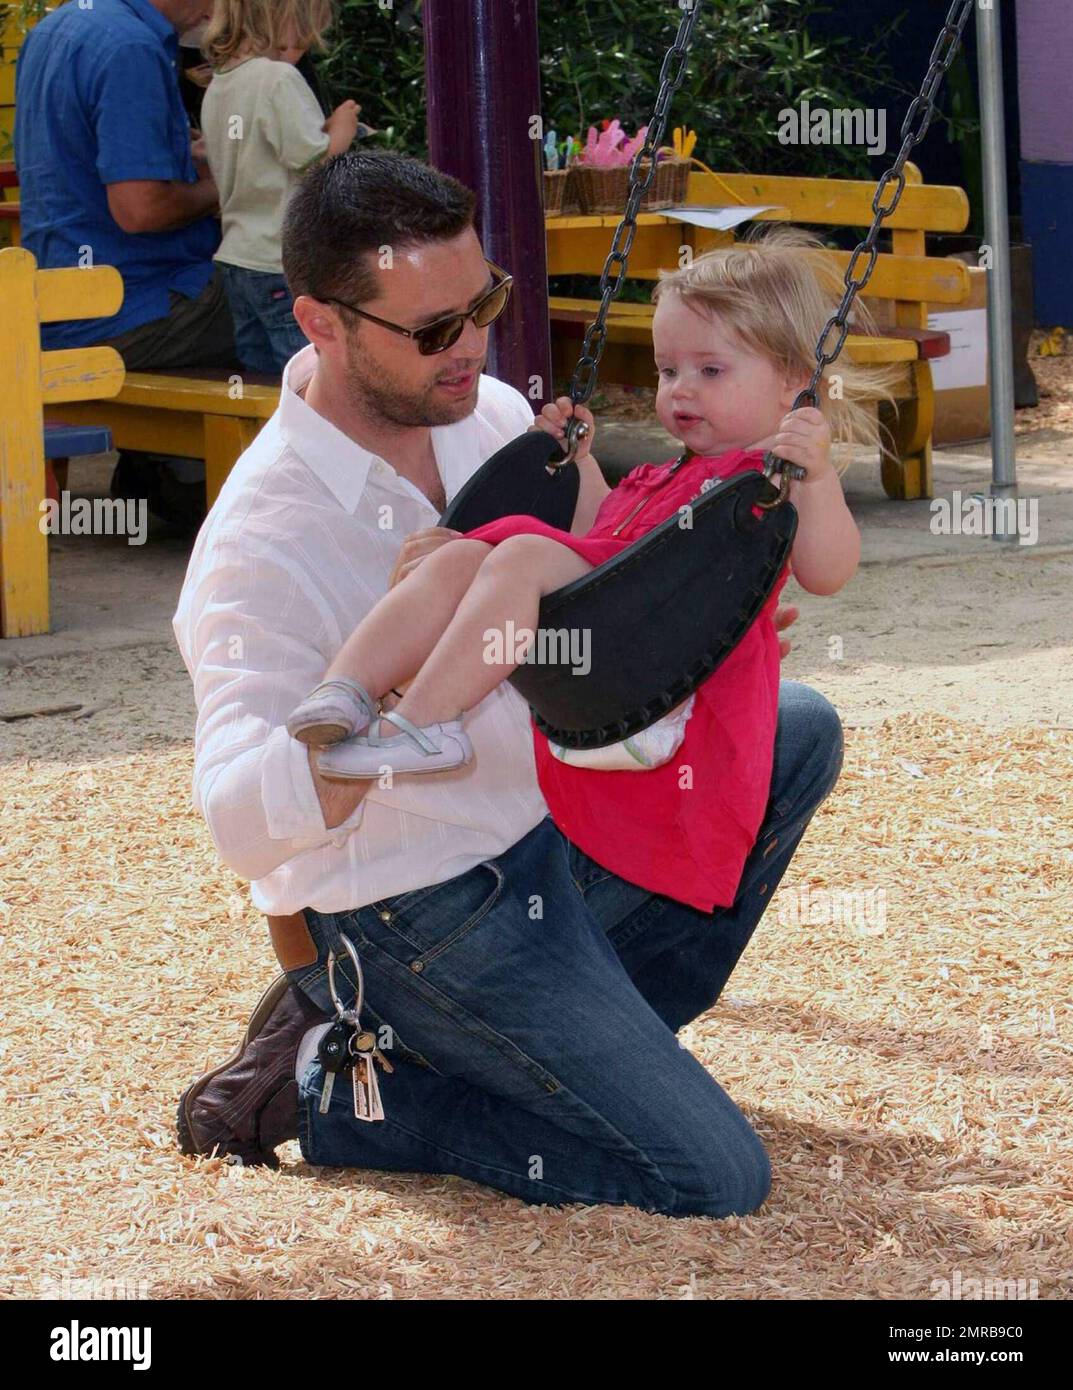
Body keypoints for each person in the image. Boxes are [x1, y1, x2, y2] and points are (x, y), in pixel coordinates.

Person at [172, 152, 845, 1217]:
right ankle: (347, 1095)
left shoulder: (486, 413)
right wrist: (381, 725)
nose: (474, 347)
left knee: (794, 726)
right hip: (419, 901)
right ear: (321, 322)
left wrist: (689, 627)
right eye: (434, 329)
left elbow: (589, 595)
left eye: (481, 303)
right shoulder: (260, 542)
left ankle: (542, 1055)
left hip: (547, 825)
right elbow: (241, 826)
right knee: (711, 1177)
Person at [285, 230, 889, 915]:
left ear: (791, 381)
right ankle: (348, 691)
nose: (679, 391)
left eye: (709, 371)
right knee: (458, 552)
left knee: (514, 553)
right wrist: (584, 467)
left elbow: (828, 571)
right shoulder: (669, 476)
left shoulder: (764, 487)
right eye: (667, 372)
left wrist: (815, 480)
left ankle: (423, 726)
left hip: (656, 673)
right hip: (614, 634)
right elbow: (607, 544)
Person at [14, 0, 239, 530]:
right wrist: (229, 188)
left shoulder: (58, 26)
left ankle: (168, 473)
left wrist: (196, 157)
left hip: (57, 308)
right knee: (298, 302)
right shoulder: (131, 48)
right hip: (130, 311)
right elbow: (140, 209)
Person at [199, 0, 364, 374]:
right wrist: (342, 129)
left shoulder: (221, 82)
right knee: (309, 378)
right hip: (280, 260)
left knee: (262, 382)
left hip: (237, 260)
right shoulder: (277, 79)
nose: (306, 43)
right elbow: (313, 163)